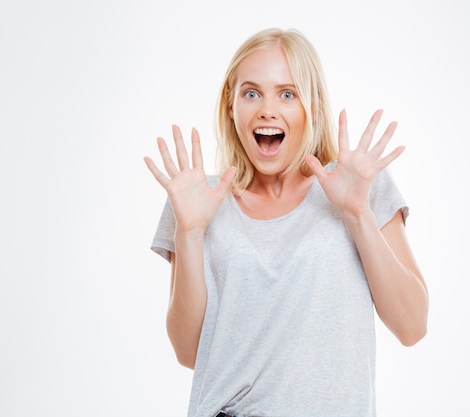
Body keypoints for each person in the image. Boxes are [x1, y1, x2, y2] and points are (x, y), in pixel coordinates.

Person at [144, 27, 428, 417]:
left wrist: (357, 214)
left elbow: (412, 326)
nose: (267, 109)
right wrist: (189, 233)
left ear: (311, 104)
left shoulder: (358, 185)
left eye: (288, 94)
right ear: (231, 104)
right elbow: (189, 352)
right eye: (251, 93)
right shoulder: (199, 199)